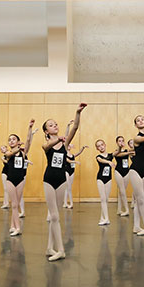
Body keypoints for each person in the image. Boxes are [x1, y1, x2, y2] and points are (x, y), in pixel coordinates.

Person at [42, 104, 87, 261]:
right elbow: (47, 146)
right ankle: (60, 250)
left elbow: (74, 128)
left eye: (55, 124)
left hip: (62, 180)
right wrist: (57, 140)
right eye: (51, 125)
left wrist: (77, 113)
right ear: (46, 131)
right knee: (54, 216)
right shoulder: (47, 144)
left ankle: (49, 247)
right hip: (49, 180)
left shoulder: (65, 144)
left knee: (56, 216)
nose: (55, 126)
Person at [4, 120, 35, 237]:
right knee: (14, 204)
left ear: (17, 141)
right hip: (10, 180)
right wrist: (18, 147)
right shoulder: (9, 152)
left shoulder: (23, 153)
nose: (11, 141)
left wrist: (30, 128)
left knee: (16, 204)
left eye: (13, 139)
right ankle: (18, 227)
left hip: (20, 179)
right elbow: (9, 155)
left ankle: (12, 225)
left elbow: (28, 141)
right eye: (9, 140)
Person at [94, 139, 116, 225]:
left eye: (102, 145)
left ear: (105, 145)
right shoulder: (98, 156)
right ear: (97, 148)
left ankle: (102, 218)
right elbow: (101, 160)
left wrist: (119, 146)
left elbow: (116, 152)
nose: (101, 147)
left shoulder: (110, 155)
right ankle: (107, 219)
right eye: (98, 146)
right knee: (102, 199)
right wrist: (109, 162)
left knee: (106, 200)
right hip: (100, 179)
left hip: (108, 179)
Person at [63, 143, 87, 209]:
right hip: (66, 171)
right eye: (68, 145)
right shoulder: (64, 155)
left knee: (68, 187)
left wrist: (83, 148)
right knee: (68, 188)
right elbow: (68, 161)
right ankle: (71, 203)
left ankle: (65, 203)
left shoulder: (72, 155)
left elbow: (79, 153)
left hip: (72, 171)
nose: (69, 146)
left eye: (70, 145)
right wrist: (75, 162)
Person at [113, 136, 132, 217]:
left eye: (122, 141)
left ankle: (119, 209)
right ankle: (127, 210)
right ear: (117, 143)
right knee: (122, 190)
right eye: (119, 141)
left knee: (122, 192)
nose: (121, 142)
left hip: (126, 171)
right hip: (118, 171)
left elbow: (135, 151)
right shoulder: (116, 151)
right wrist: (128, 153)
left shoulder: (128, 150)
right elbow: (119, 155)